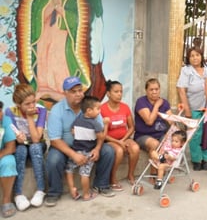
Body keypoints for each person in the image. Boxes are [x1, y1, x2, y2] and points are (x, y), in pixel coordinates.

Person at [45, 76, 115, 207]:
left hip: (89, 146)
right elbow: (54, 140)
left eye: (80, 90)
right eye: (73, 91)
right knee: (53, 159)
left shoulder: (90, 107)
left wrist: (97, 149)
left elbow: (100, 135)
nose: (78, 94)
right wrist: (74, 155)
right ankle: (54, 192)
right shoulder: (57, 110)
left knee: (108, 151)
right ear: (65, 93)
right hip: (64, 147)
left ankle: (101, 185)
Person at [4, 84, 47, 211]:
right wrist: (18, 139)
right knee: (21, 150)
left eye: (33, 102)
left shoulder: (41, 110)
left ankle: (40, 190)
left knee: (34, 148)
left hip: (38, 144)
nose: (32, 106)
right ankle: (18, 194)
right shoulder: (10, 112)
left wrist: (29, 117)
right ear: (18, 104)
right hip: (21, 145)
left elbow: (36, 139)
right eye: (27, 104)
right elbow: (13, 136)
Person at [65, 96, 106, 201]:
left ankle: (72, 189)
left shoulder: (78, 120)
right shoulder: (95, 123)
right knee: (84, 174)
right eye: (98, 109)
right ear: (89, 111)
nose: (99, 112)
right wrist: (106, 125)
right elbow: (101, 137)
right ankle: (86, 194)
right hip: (88, 152)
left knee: (69, 170)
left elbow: (73, 131)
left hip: (76, 151)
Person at [101, 80, 140, 190]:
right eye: (116, 91)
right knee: (118, 151)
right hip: (109, 140)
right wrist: (118, 142)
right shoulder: (102, 109)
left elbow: (132, 127)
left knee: (135, 148)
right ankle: (112, 178)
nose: (119, 94)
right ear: (108, 93)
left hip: (124, 138)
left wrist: (123, 139)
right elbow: (101, 133)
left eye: (121, 91)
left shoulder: (125, 107)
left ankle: (130, 175)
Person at [176, 47, 207, 171]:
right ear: (188, 58)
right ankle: (196, 159)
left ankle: (206, 158)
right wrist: (187, 110)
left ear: (201, 56)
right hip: (194, 107)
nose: (195, 58)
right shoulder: (186, 70)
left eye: (197, 55)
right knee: (195, 135)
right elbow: (181, 90)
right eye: (192, 56)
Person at [134, 78, 172, 177]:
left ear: (160, 89)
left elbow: (171, 120)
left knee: (171, 142)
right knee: (155, 144)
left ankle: (158, 172)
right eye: (151, 89)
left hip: (160, 134)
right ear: (146, 91)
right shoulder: (141, 102)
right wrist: (157, 105)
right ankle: (156, 173)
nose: (154, 92)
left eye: (156, 89)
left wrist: (179, 131)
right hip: (143, 135)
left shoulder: (165, 103)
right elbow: (149, 121)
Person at [0, 103, 17, 218]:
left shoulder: (5, 120)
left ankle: (6, 200)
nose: (1, 113)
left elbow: (11, 147)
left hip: (2, 153)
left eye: (0, 110)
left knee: (8, 163)